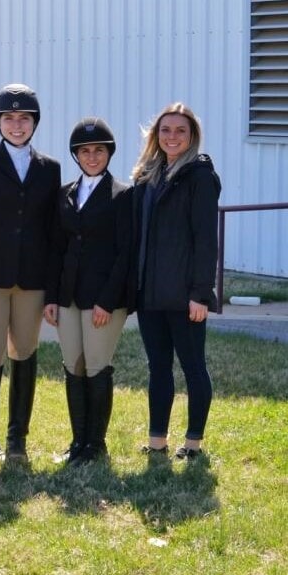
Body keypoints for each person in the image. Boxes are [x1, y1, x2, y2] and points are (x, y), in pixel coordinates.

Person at [0, 83, 61, 465]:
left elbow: (53, 231)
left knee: (25, 353)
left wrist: (52, 289)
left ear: (34, 122)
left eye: (24, 118)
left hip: (32, 279)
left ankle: (18, 439)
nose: (16, 125)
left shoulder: (49, 168)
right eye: (9, 118)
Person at [131, 103, 221, 461]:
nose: (172, 136)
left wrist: (201, 293)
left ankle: (194, 444)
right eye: (165, 130)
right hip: (149, 295)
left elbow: (206, 239)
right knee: (158, 369)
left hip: (184, 296)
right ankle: (157, 442)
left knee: (193, 368)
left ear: (192, 136)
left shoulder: (199, 177)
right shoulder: (148, 176)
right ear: (155, 135)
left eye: (180, 130)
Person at [43, 117, 133, 465]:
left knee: (97, 366)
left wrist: (107, 302)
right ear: (76, 155)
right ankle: (78, 441)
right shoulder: (64, 193)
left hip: (103, 300)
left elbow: (125, 254)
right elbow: (56, 248)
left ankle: (96, 445)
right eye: (85, 151)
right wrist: (51, 297)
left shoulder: (124, 195)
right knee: (73, 366)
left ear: (108, 154)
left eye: (98, 151)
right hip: (68, 295)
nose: (92, 157)